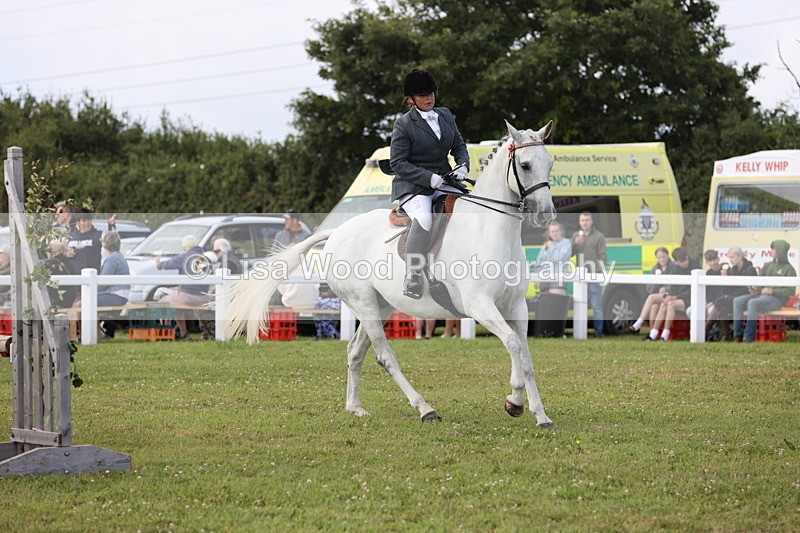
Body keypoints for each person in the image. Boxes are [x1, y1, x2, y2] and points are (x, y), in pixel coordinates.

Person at [390, 68, 469, 299]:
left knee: (470, 207)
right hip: (414, 186)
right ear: (411, 99)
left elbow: (459, 145)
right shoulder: (403, 124)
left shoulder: (445, 114)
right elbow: (398, 163)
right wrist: (428, 178)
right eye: (422, 95)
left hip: (444, 181)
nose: (429, 98)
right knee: (424, 218)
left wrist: (463, 164)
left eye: (431, 93)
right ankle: (412, 275)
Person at [732, 240, 797, 343]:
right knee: (737, 301)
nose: (771, 251)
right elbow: (760, 283)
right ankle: (737, 335)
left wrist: (773, 291)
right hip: (761, 296)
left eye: (774, 249)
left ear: (780, 251)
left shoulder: (789, 269)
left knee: (753, 303)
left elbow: (790, 291)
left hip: (777, 300)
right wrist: (755, 289)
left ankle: (748, 337)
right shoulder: (767, 266)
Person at [155, 235, 209, 340]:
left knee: (162, 303)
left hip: (189, 297)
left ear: (185, 247)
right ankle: (186, 333)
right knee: (177, 304)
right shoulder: (205, 258)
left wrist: (158, 263)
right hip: (204, 297)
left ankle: (175, 333)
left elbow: (168, 264)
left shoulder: (185, 257)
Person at [645, 247, 697, 341]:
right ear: (676, 262)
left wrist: (676, 296)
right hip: (678, 297)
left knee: (671, 304)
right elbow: (673, 287)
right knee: (664, 303)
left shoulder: (695, 266)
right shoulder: (675, 268)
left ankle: (665, 335)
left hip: (690, 298)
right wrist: (670, 296)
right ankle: (653, 334)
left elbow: (691, 291)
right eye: (681, 261)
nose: (684, 263)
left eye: (685, 259)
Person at [706, 247, 757, 341]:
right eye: (729, 258)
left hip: (745, 299)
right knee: (723, 309)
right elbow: (726, 290)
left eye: (732, 257)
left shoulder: (750, 269)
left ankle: (705, 330)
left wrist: (731, 295)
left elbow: (748, 290)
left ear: (740, 256)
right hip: (734, 299)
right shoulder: (732, 270)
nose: (731, 260)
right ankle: (725, 337)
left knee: (721, 300)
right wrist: (724, 278)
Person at [571, 212, 607, 337]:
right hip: (580, 277)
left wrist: (595, 271)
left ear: (592, 222)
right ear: (579, 222)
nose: (585, 222)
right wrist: (575, 244)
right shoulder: (576, 235)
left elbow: (602, 257)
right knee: (581, 304)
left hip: (593, 276)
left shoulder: (599, 236)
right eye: (582, 220)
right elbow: (570, 254)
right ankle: (582, 331)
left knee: (596, 305)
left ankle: (598, 332)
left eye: (587, 220)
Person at [199, 238, 243, 340]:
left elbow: (222, 285)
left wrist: (210, 296)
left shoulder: (227, 263)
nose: (215, 254)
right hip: (235, 295)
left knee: (204, 307)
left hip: (230, 297)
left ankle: (210, 334)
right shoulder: (233, 259)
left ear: (222, 250)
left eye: (216, 251)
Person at [627, 246, 673, 335]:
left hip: (670, 294)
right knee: (654, 307)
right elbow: (650, 287)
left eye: (664, 257)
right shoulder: (655, 268)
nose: (662, 259)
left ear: (668, 256)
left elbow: (675, 285)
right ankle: (652, 333)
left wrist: (665, 288)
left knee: (651, 298)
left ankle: (638, 323)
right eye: (659, 258)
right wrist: (656, 282)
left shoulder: (673, 267)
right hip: (659, 296)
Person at [96, 231, 130, 339]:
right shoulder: (118, 256)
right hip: (121, 295)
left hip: (115, 295)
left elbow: (103, 282)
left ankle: (95, 335)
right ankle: (103, 331)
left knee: (86, 302)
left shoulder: (112, 259)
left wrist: (92, 290)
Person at [535, 221, 572, 294]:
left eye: (557, 231)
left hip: (558, 279)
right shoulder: (546, 245)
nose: (555, 233)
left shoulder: (566, 243)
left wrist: (552, 247)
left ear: (561, 231)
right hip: (544, 279)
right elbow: (539, 262)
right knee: (544, 302)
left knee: (555, 301)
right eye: (552, 231)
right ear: (549, 234)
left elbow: (560, 259)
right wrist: (536, 278)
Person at [66, 209, 102, 275]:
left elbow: (111, 243)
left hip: (91, 275)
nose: (87, 223)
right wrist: (65, 254)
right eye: (84, 220)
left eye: (89, 220)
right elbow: (61, 252)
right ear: (78, 222)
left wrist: (111, 225)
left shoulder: (98, 235)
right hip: (73, 275)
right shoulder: (70, 236)